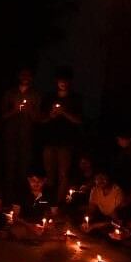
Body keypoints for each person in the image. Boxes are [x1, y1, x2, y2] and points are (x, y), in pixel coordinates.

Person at [41, 66, 84, 208]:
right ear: (56, 82)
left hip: (66, 142)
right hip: (50, 140)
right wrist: (51, 115)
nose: (63, 83)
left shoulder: (75, 98)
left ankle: (58, 205)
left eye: (65, 80)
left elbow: (79, 120)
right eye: (60, 80)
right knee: (49, 174)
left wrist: (64, 112)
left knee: (63, 174)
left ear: (70, 82)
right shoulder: (49, 97)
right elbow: (42, 119)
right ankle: (47, 202)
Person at [0, 68, 41, 203]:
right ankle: (8, 200)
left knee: (24, 170)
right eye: (23, 74)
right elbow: (3, 115)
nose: (25, 77)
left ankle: (21, 201)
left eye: (28, 75)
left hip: (27, 137)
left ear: (31, 78)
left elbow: (37, 118)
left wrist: (29, 111)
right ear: (19, 76)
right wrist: (15, 110)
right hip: (11, 137)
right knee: (9, 168)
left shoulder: (35, 94)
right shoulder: (10, 93)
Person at [8, 170, 54, 241]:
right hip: (25, 222)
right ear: (28, 180)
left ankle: (33, 237)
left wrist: (50, 222)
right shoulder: (20, 193)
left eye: (39, 181)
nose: (36, 183)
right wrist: (30, 226)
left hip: (42, 223)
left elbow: (54, 214)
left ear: (44, 180)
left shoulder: (49, 193)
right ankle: (39, 238)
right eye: (33, 180)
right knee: (16, 229)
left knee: (59, 227)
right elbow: (15, 216)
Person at [80, 170, 123, 234]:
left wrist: (93, 226)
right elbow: (91, 210)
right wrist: (85, 221)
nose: (100, 181)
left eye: (103, 178)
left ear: (109, 178)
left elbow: (116, 220)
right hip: (104, 217)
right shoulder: (95, 190)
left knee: (107, 231)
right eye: (97, 178)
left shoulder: (117, 192)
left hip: (115, 221)